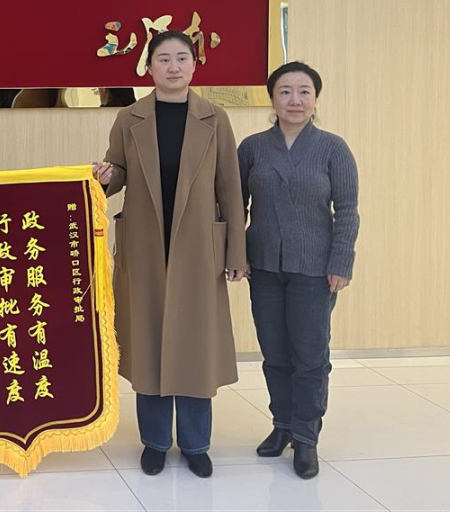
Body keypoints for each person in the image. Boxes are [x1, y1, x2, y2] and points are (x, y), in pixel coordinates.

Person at [93, 30, 246, 479]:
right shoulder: (129, 117)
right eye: (163, 59)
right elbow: (118, 172)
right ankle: (156, 442)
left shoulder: (215, 118)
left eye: (182, 58)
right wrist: (106, 176)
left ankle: (196, 444)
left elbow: (230, 188)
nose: (173, 67)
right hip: (145, 246)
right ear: (148, 67)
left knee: (196, 346)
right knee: (149, 346)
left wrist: (236, 252)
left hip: (199, 248)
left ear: (194, 65)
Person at [238, 61, 359, 480]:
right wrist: (235, 256)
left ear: (315, 98)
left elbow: (347, 210)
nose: (295, 100)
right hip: (264, 266)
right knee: (274, 353)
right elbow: (234, 207)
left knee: (310, 356)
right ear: (272, 99)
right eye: (285, 91)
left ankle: (306, 437)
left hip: (315, 270)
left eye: (304, 91)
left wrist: (341, 262)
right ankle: (283, 425)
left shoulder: (333, 149)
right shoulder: (252, 148)